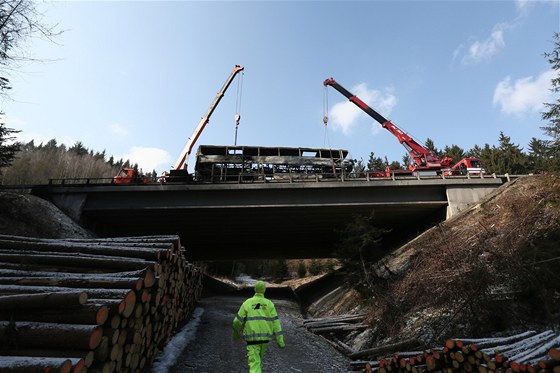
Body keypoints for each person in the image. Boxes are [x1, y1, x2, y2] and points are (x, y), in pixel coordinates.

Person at [232, 280, 285, 373]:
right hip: (265, 339)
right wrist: (280, 340)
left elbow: (237, 321)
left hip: (252, 339)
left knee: (254, 363)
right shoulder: (269, 304)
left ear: (255, 289)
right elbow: (276, 323)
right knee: (258, 361)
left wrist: (236, 333)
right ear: (264, 290)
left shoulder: (247, 303)